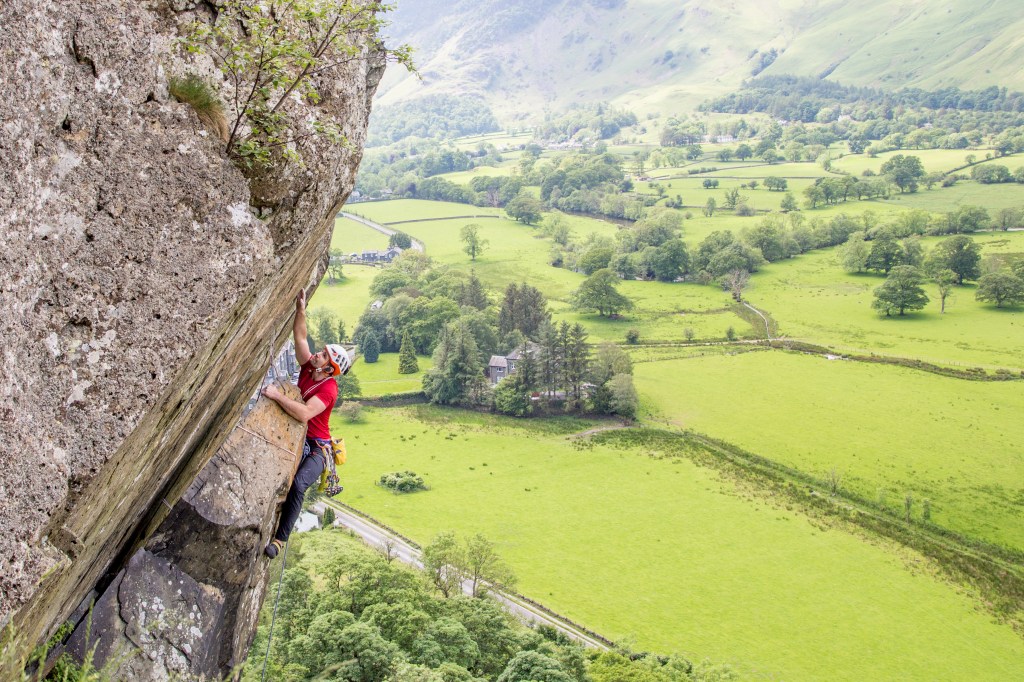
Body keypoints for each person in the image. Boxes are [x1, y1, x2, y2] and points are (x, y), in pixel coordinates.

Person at [262, 290, 354, 558]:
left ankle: (279, 541)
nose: (317, 354)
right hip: (300, 439)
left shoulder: (329, 390)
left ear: (330, 369)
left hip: (318, 448)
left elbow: (304, 414)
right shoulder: (308, 367)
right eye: (321, 351)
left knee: (299, 484)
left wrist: (277, 396)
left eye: (323, 355)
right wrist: (300, 308)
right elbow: (300, 336)